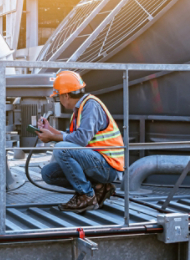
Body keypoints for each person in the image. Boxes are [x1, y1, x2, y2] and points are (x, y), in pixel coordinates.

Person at [36, 70, 124, 213]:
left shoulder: (90, 105)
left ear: (65, 95)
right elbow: (74, 139)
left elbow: (81, 140)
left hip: (108, 166)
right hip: (97, 161)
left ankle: (86, 196)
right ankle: (98, 187)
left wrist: (52, 138)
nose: (59, 100)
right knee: (48, 173)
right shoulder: (81, 108)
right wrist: (52, 131)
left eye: (58, 97)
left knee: (61, 148)